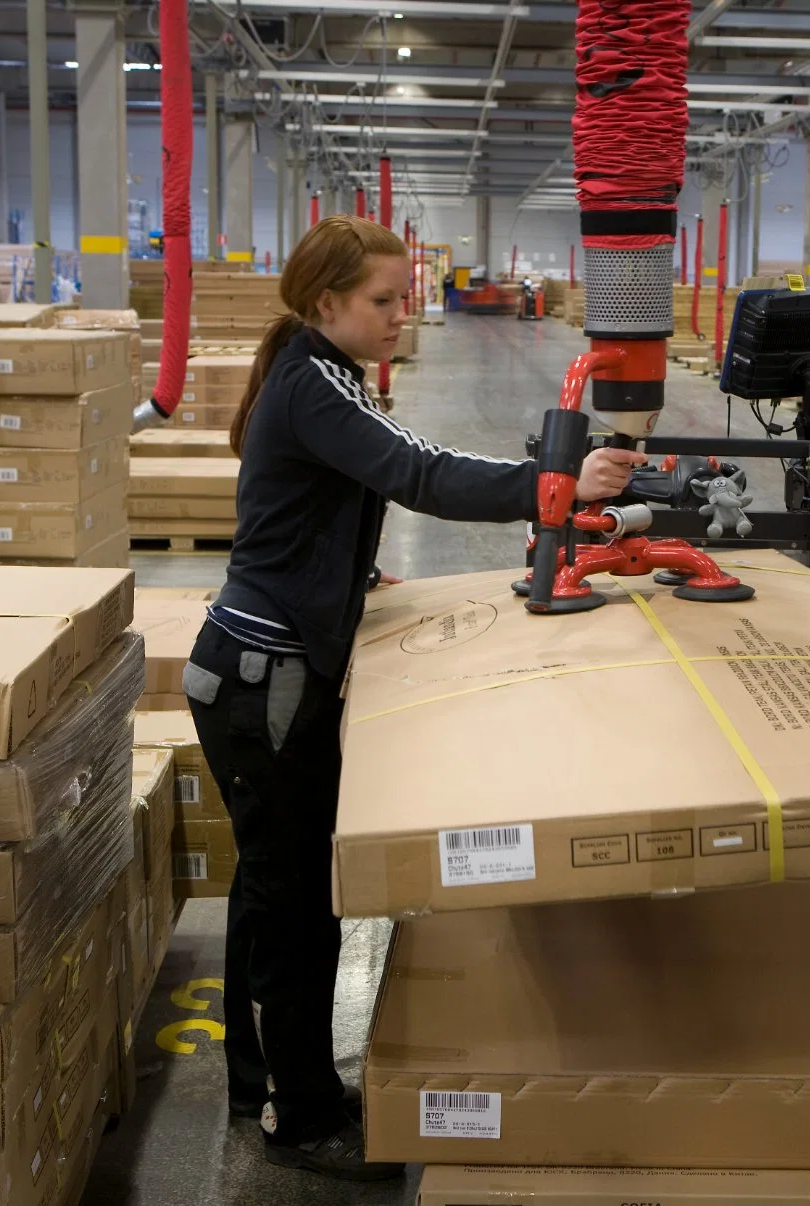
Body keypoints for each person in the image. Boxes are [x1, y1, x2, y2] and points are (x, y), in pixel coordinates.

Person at [181, 215, 642, 1180]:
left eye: (404, 298)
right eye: (383, 302)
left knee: (273, 891)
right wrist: (553, 479)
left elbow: (312, 506)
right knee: (297, 903)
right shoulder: (314, 381)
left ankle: (263, 1081)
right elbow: (417, 471)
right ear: (326, 305)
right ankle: (300, 1119)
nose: (402, 317)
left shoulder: (324, 374)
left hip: (259, 665)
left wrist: (349, 574)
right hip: (267, 681)